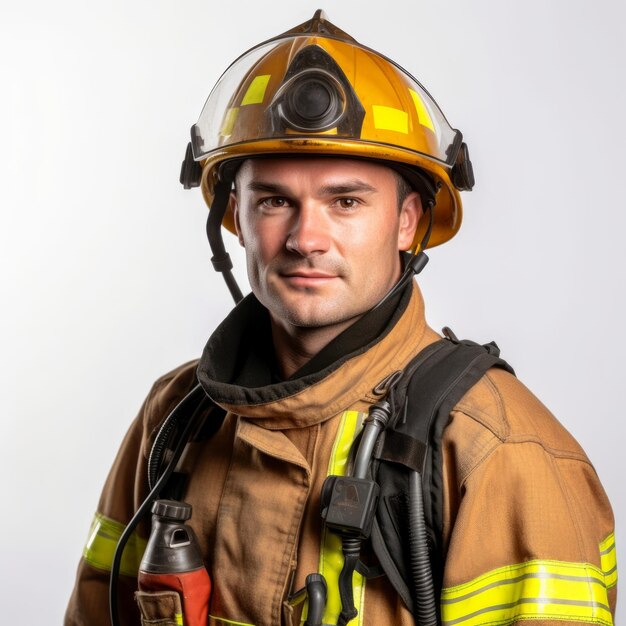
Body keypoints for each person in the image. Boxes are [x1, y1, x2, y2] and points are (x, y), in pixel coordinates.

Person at [65, 10, 617, 626]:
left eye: (346, 201)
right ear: (235, 220)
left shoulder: (499, 452)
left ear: (407, 223)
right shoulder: (174, 417)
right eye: (274, 201)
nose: (306, 238)